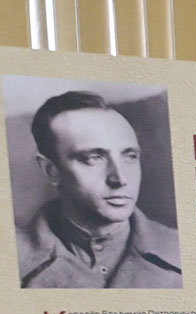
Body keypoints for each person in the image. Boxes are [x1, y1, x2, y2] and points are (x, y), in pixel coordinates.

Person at [16, 90, 180, 289]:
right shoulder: (14, 259)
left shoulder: (182, 250)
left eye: (130, 156)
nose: (120, 179)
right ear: (51, 170)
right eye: (94, 158)